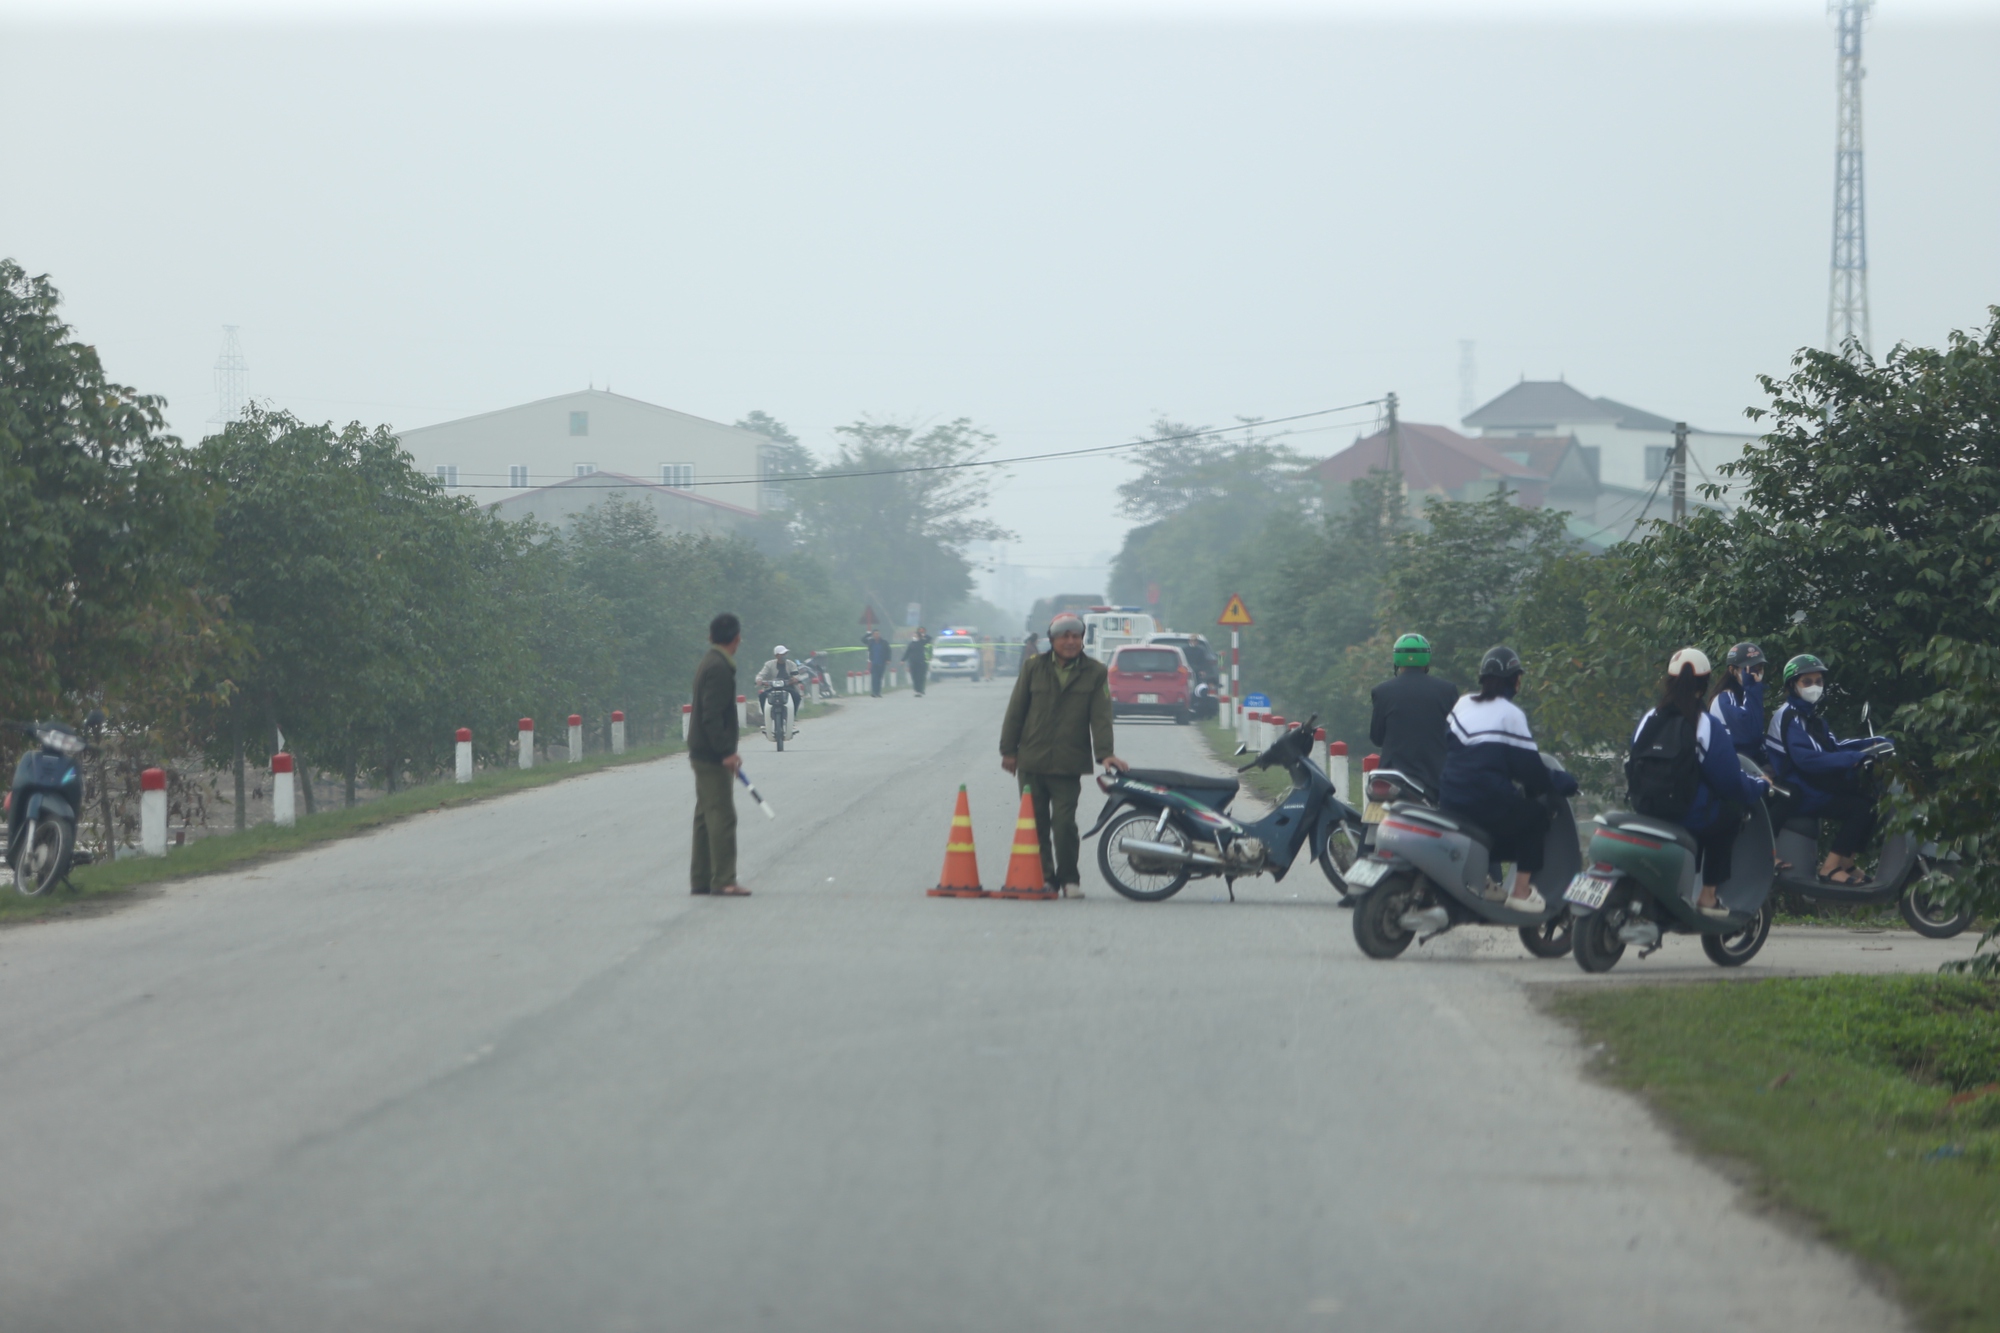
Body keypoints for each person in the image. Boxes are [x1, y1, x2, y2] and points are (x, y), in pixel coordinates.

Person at [1438, 645, 1579, 914]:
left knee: (1500, 825)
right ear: (1514, 681)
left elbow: (1465, 750)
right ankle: (1521, 892)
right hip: (1485, 802)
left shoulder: (1463, 704)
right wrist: (1561, 782)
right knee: (1534, 817)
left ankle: (1482, 878)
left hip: (1449, 799)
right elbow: (1531, 771)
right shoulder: (1510, 714)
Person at [1630, 648, 1771, 917]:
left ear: (1669, 680)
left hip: (1645, 809)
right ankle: (1707, 897)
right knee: (1729, 817)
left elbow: (1632, 763)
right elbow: (1730, 781)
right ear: (1705, 683)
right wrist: (1759, 786)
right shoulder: (1704, 724)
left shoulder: (1649, 718)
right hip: (1684, 813)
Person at [999, 613, 1129, 898]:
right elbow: (1016, 710)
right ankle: (1046, 879)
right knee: (1036, 823)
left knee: (1064, 823)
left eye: (1076, 636)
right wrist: (1008, 751)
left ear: (1082, 639)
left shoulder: (1095, 672)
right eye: (1064, 636)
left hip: (1068, 763)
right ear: (1052, 639)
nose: (1071, 642)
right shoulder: (1034, 667)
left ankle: (1069, 879)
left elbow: (1101, 716)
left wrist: (1105, 753)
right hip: (1031, 760)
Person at [1765, 653, 1885, 885]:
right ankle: (1829, 869)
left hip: (1813, 784)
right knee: (1859, 808)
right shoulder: (1788, 717)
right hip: (1801, 787)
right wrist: (1853, 758)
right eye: (1807, 682)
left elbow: (1835, 747)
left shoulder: (1814, 719)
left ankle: (1846, 863)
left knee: (1870, 802)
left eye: (1818, 682)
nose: (1814, 687)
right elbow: (1806, 760)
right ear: (1793, 685)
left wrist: (1874, 744)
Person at [688, 613, 749, 897]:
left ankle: (701, 879)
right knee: (722, 815)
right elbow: (712, 715)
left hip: (701, 751)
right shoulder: (720, 668)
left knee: (705, 816)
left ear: (711, 637)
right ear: (736, 639)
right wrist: (727, 752)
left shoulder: (709, 662)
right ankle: (724, 880)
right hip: (712, 755)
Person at [1368, 632, 1460, 796]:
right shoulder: (1447, 691)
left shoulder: (1382, 692)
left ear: (1397, 659)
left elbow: (1376, 738)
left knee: (1375, 817)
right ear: (1427, 658)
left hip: (1392, 780)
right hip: (1435, 780)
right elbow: (1455, 737)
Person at [1708, 641, 1769, 764]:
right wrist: (1752, 687)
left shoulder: (1746, 694)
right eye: (1750, 669)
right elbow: (1751, 733)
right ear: (1732, 670)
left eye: (1759, 669)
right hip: (1731, 765)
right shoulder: (1725, 698)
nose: (1756, 674)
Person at [754, 645, 810, 736]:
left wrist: (795, 679)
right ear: (776, 655)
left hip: (787, 687)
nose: (784, 655)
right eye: (782, 654)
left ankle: (791, 719)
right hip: (772, 687)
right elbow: (761, 674)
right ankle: (766, 719)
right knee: (762, 696)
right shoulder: (769, 664)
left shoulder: (791, 664)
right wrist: (759, 680)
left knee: (796, 697)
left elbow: (795, 674)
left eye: (785, 653)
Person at [904, 626, 932, 697]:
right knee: (914, 677)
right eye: (914, 635)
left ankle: (920, 690)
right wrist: (903, 660)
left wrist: (923, 635)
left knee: (921, 677)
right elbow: (907, 652)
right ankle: (917, 690)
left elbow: (929, 638)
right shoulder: (911, 643)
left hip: (922, 662)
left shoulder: (923, 642)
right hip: (913, 663)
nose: (914, 636)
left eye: (916, 635)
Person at [866, 630, 889, 697]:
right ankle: (874, 692)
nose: (876, 635)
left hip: (882, 663)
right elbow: (862, 639)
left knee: (879, 678)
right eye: (875, 634)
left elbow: (888, 651)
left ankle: (878, 692)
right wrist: (868, 634)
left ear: (880, 634)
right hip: (874, 663)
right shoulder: (871, 642)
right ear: (873, 635)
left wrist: (888, 659)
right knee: (874, 678)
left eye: (878, 634)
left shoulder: (884, 642)